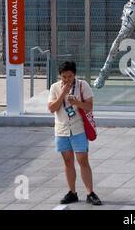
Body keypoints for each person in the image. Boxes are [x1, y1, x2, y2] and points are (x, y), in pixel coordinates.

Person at [47, 61, 102, 206]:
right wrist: (63, 94)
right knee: (67, 161)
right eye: (64, 77)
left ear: (74, 75)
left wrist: (77, 102)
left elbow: (89, 107)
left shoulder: (83, 85)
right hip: (62, 130)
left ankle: (90, 192)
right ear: (60, 76)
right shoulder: (54, 87)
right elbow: (52, 108)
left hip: (78, 129)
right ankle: (72, 192)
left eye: (69, 76)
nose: (67, 79)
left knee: (83, 160)